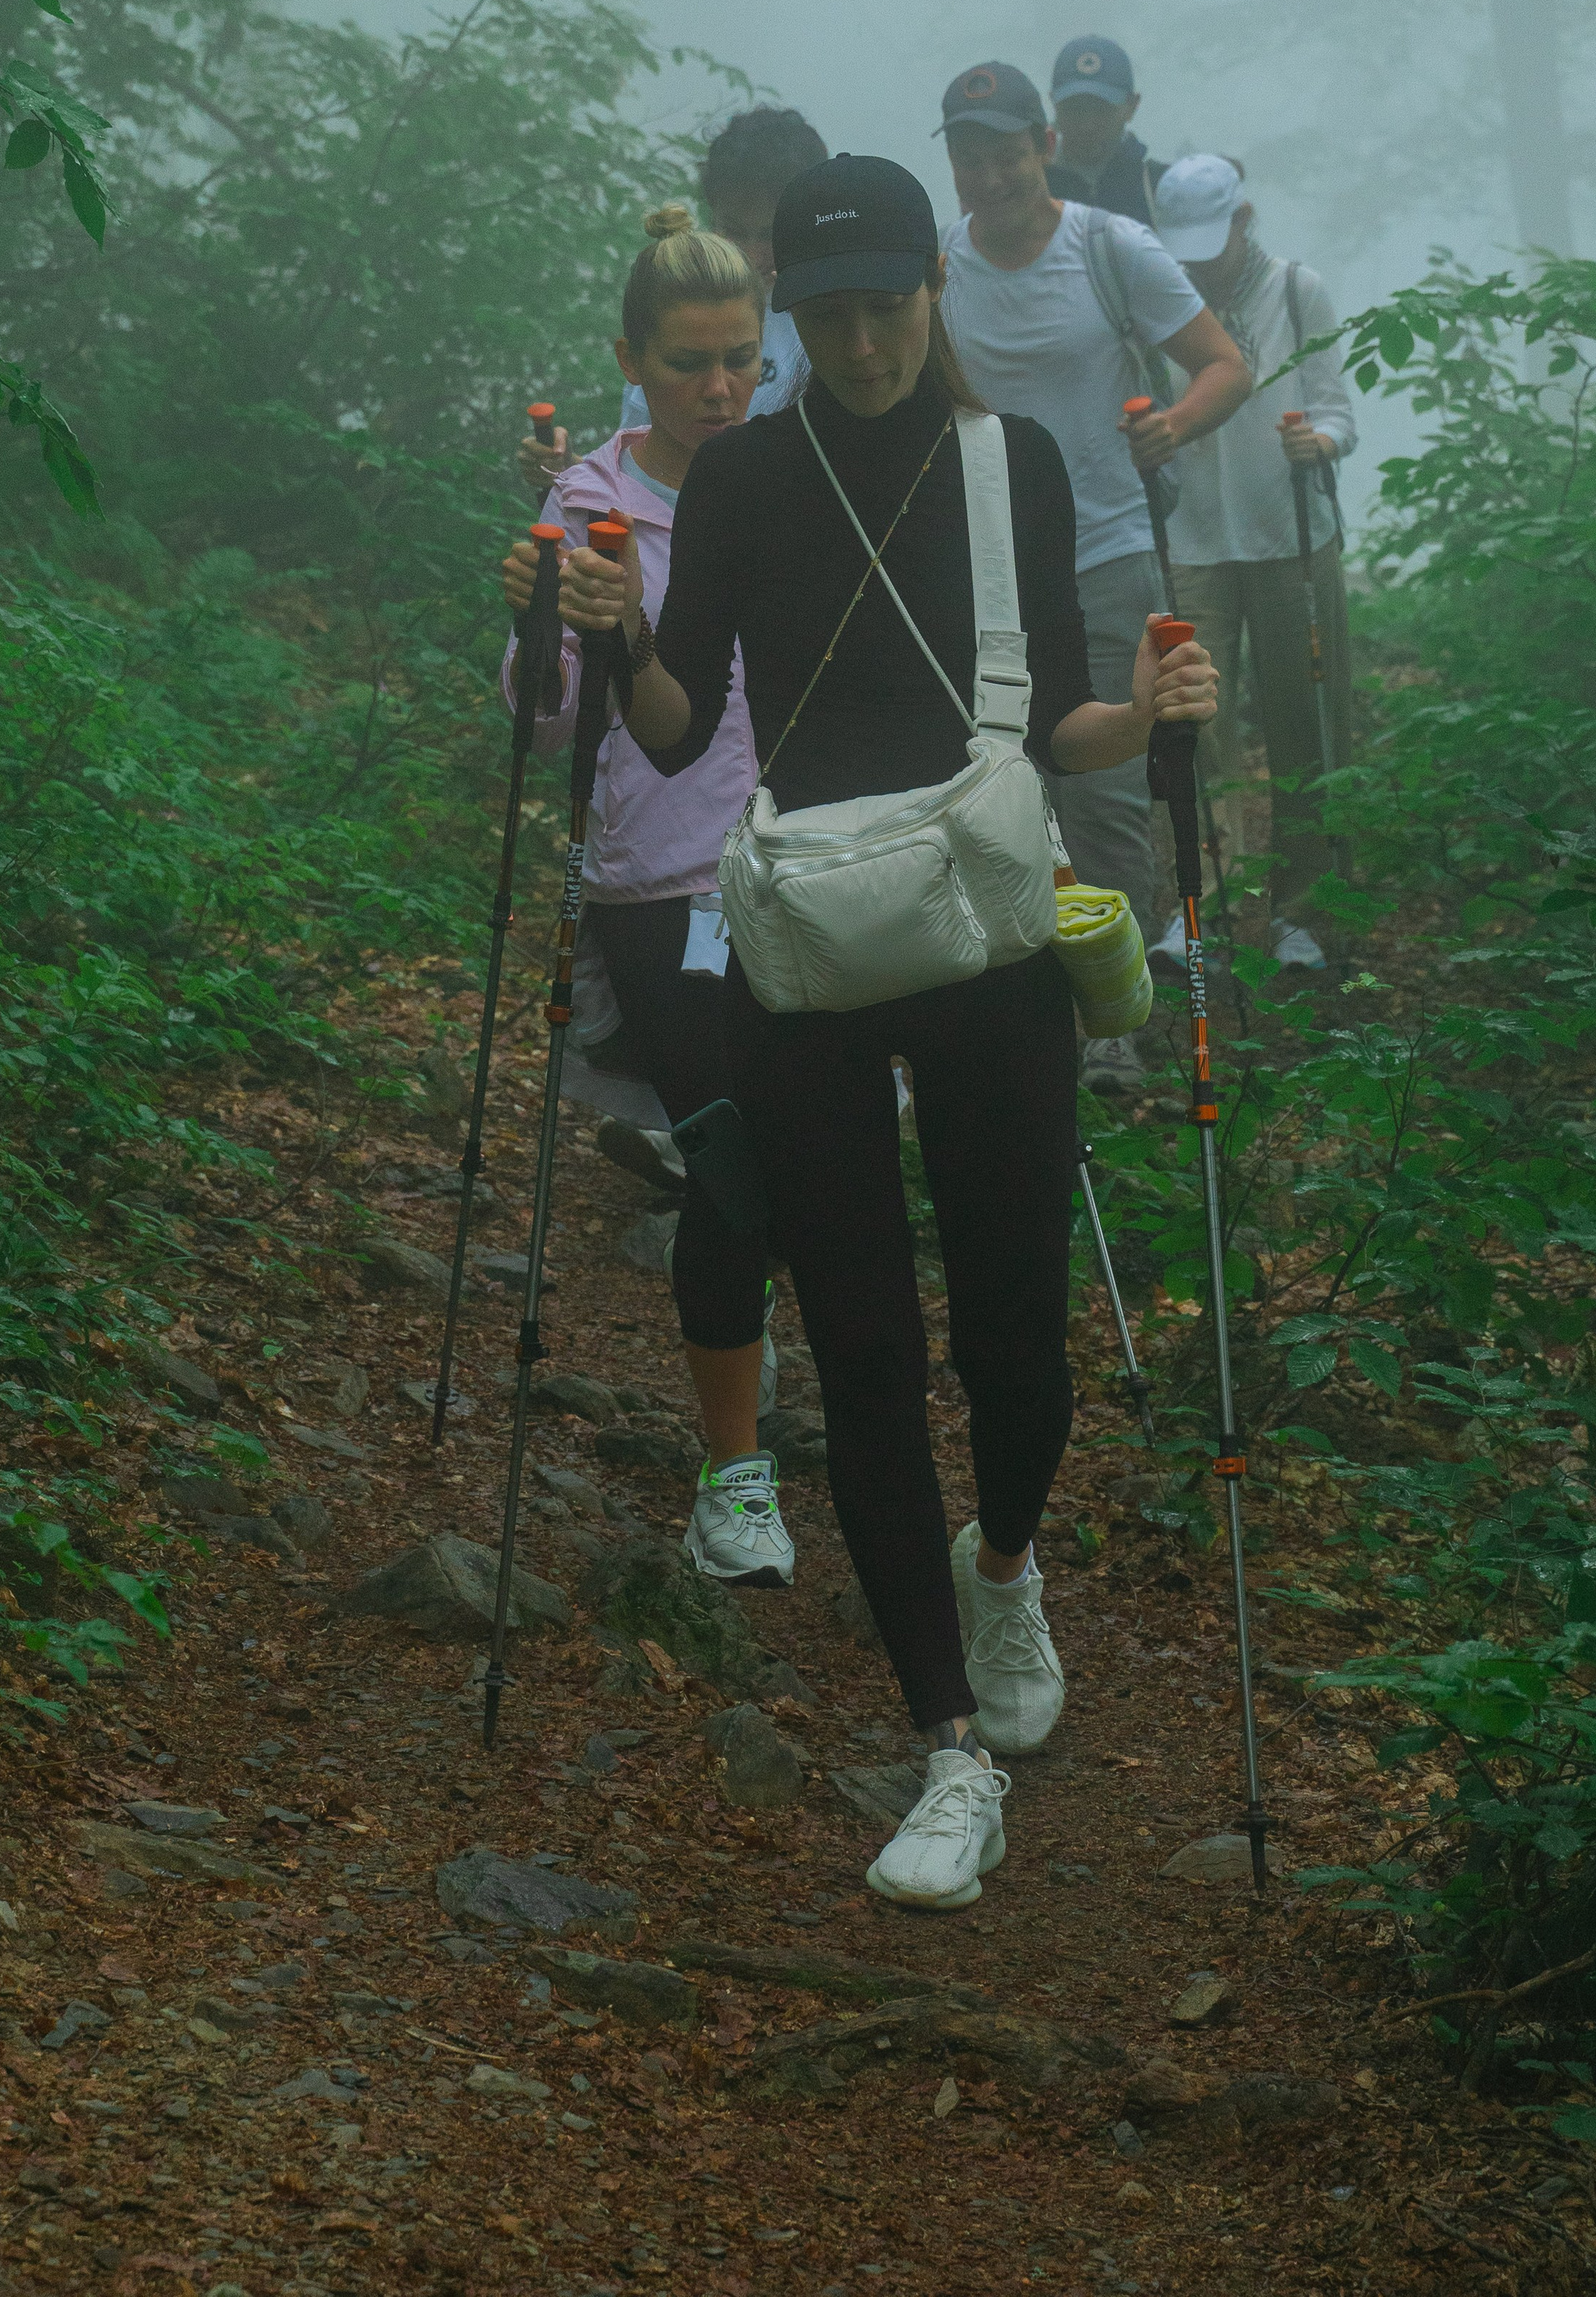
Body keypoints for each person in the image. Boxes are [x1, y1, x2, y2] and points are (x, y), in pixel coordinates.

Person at [560, 151, 1218, 1911]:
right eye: (823, 312)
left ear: (929, 289)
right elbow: (687, 731)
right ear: (793, 313)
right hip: (806, 942)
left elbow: (1062, 723)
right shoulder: (750, 473)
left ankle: (1000, 1557)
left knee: (1014, 1331)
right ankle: (945, 1747)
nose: (853, 339)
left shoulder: (1010, 462)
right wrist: (620, 631)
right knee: (859, 1342)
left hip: (992, 930)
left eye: (880, 305)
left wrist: (1145, 712)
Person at [495, 205, 795, 1591]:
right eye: (691, 364)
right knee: (730, 1156)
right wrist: (543, 619)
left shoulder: (803, 481)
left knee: (799, 1161)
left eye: (742, 358)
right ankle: (734, 1474)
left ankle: (770, 1352)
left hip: (808, 866)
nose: (722, 389)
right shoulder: (592, 503)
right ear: (634, 359)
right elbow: (544, 724)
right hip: (660, 877)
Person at [930, 61, 1250, 1095]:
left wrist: (1175, 425)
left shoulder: (1110, 248)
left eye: (1007, 152)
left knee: (1108, 786)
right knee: (989, 776)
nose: (990, 174)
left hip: (1108, 551)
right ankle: (1003, 994)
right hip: (979, 561)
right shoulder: (935, 270)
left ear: (1045, 148)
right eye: (970, 155)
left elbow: (1222, 363)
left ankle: (1112, 1022)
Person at [1150, 151, 1356, 968]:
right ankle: (1202, 903)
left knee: (1305, 723)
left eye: (1215, 237)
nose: (1199, 259)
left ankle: (1303, 912)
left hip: (1293, 538)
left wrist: (1323, 440)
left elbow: (1338, 408)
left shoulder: (1297, 291)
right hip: (1194, 539)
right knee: (1195, 730)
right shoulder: (1158, 302)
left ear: (1244, 219)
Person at [517, 107, 826, 489]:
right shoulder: (677, 310)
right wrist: (568, 472)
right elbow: (645, 479)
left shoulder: (826, 320)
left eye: (769, 234)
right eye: (733, 229)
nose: (751, 254)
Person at [1046, 33, 1168, 221]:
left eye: (1102, 110)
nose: (1087, 125)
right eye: (1074, 109)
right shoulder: (1030, 189)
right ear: (1054, 104)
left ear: (1132, 106)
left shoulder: (1163, 188)